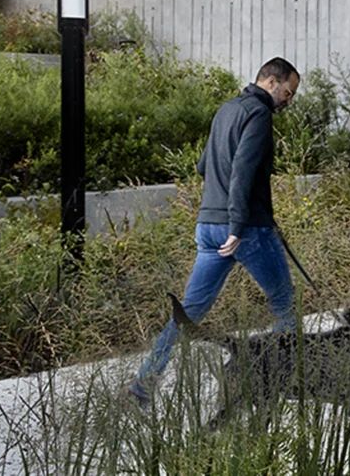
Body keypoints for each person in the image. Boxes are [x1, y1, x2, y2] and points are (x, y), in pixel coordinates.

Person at [126, 56, 301, 407]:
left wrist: (221, 217)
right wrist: (237, 224)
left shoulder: (226, 110)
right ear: (270, 82)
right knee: (284, 302)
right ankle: (284, 379)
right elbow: (243, 170)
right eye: (288, 92)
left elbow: (204, 165)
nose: (288, 100)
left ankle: (142, 387)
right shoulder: (259, 113)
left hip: (208, 227)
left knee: (188, 313)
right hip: (244, 229)